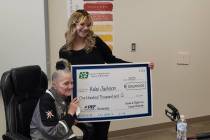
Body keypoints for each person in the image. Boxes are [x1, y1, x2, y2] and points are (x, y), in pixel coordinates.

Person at [59, 9, 154, 140]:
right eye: (82, 24)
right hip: (79, 103)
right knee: (90, 134)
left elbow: (112, 60)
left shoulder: (96, 42)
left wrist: (140, 67)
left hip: (103, 101)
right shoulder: (64, 51)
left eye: (88, 25)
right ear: (73, 25)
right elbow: (64, 78)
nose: (86, 28)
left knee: (102, 135)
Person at [30, 60, 79, 140]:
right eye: (66, 83)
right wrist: (70, 114)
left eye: (72, 83)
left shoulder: (63, 96)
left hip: (61, 135)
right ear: (54, 85)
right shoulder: (46, 101)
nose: (70, 87)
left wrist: (73, 118)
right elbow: (52, 132)